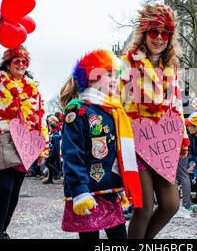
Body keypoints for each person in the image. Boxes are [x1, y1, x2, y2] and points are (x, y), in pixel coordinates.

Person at [118, 4, 190, 239]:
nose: (159, 38)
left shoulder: (172, 67)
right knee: (144, 207)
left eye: (165, 33)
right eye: (154, 32)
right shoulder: (128, 64)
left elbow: (177, 104)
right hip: (136, 143)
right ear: (144, 33)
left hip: (164, 142)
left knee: (171, 204)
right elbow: (116, 102)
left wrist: (183, 137)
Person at [0, 18, 48, 239]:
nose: (21, 64)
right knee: (4, 188)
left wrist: (42, 149)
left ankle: (2, 230)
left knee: (15, 190)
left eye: (25, 61)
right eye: (16, 60)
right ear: (8, 63)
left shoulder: (33, 90)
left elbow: (40, 118)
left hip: (25, 143)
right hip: (2, 137)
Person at [59, 49, 142, 240]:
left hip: (110, 190)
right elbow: (72, 155)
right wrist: (80, 191)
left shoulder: (113, 111)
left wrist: (121, 185)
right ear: (91, 78)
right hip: (88, 190)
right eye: (109, 75)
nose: (115, 80)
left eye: (116, 76)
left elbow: (116, 153)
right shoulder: (78, 111)